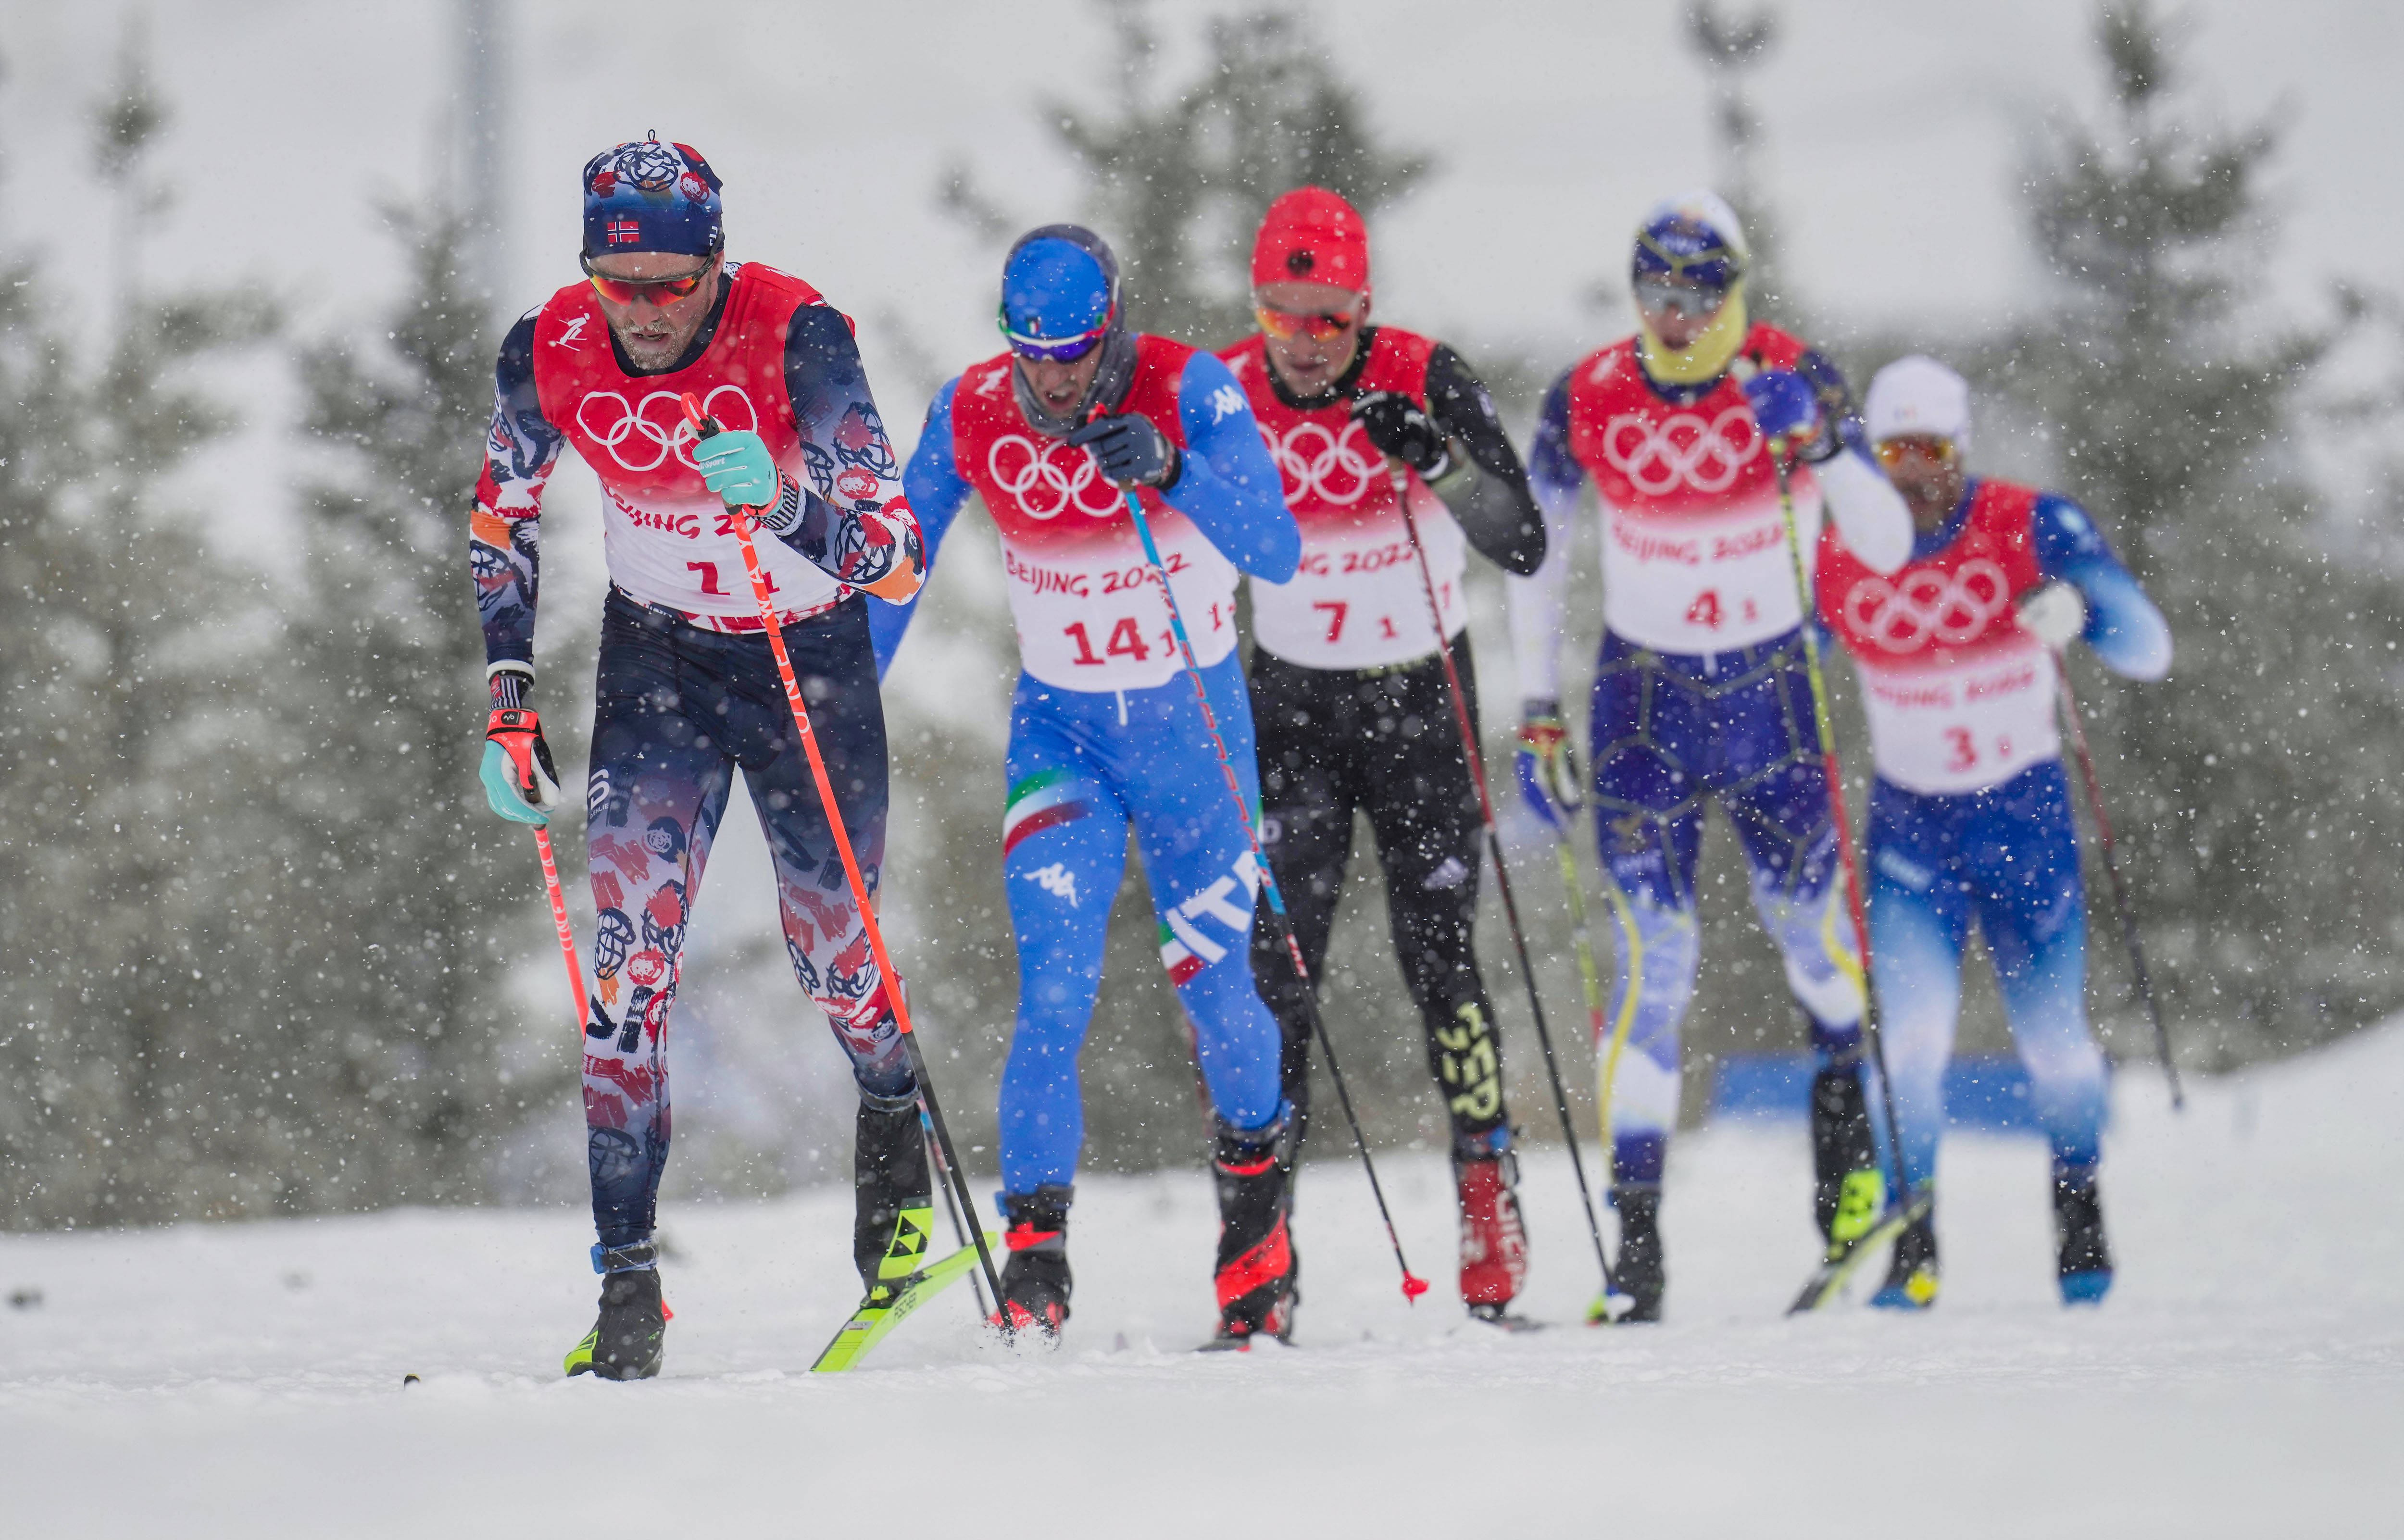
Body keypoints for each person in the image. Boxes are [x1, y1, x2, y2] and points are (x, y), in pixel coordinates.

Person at [471, 135, 928, 1380]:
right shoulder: (554, 346)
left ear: (715, 261)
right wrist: (510, 690)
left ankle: (894, 1116)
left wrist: (786, 505)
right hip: (658, 662)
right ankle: (627, 1282)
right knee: (625, 974)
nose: (648, 310)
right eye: (623, 284)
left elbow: (898, 554)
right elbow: (500, 509)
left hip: (805, 657)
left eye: (674, 284)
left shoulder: (797, 335)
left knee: (836, 954)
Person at [872, 225, 1304, 1347]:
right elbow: (901, 559)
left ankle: (1256, 1238)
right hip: (1064, 737)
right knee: (1054, 997)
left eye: (1076, 350)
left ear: (1113, 325)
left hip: (1195, 742)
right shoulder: (975, 408)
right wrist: (839, 691)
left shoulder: (1188, 387)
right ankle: (1037, 1262)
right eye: (1034, 352)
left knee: (1218, 1000)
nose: (1055, 376)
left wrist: (1172, 469)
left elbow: (1276, 548)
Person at [1506, 192, 1913, 1321]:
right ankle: (1637, 1254)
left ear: (1739, 290)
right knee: (1657, 971)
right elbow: (1534, 554)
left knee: (1813, 949)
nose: (1677, 316)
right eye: (1654, 291)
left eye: (1701, 292)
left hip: (1772, 702)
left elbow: (1884, 545)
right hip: (1645, 708)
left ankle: (1849, 1184)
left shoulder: (1793, 374)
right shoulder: (1588, 392)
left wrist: (1824, 444)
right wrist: (1537, 705)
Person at [1217, 187, 1549, 1325]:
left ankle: (1485, 1194)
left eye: (1331, 320)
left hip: (1418, 703)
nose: (1306, 345)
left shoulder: (1420, 370)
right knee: (1277, 979)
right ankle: (1260, 1254)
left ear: (1366, 308)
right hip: (1292, 711)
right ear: (1255, 310)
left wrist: (1442, 465)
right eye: (1283, 318)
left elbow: (1525, 539)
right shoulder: (1226, 388)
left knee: (1441, 959)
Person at [1817, 356, 2170, 1309]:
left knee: (2054, 1042)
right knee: (1916, 1043)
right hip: (1911, 835)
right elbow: (1784, 666)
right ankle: (1914, 1240)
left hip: (2023, 819)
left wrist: (2085, 609)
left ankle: (2078, 1213)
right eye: (1890, 451)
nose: (1910, 472)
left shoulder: (2027, 522)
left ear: (1959, 448)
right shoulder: (1836, 545)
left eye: (1929, 449)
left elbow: (2149, 647)